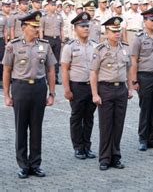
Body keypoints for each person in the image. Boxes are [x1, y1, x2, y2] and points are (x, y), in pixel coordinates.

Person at [2, 11, 56, 179]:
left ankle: (35, 164)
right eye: (33, 27)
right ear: (24, 27)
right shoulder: (13, 46)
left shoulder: (45, 45)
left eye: (37, 26)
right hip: (20, 88)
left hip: (39, 88)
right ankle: (23, 165)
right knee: (20, 128)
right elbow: (6, 70)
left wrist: (52, 93)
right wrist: (7, 95)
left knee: (36, 128)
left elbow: (51, 69)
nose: (37, 29)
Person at [90, 17, 133, 171]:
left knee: (118, 124)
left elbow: (129, 69)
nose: (117, 33)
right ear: (107, 32)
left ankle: (116, 156)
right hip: (106, 89)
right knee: (106, 125)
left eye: (118, 30)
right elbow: (93, 73)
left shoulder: (125, 48)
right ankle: (104, 158)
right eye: (114, 31)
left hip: (121, 89)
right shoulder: (100, 49)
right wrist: (95, 94)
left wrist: (130, 87)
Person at [60, 12, 98, 160]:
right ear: (75, 28)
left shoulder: (95, 45)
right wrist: (67, 89)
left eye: (87, 26)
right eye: (82, 26)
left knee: (89, 117)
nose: (86, 28)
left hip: (92, 87)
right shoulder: (69, 47)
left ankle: (87, 146)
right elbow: (64, 69)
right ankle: (78, 147)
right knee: (77, 117)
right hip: (77, 86)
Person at [130, 7, 153, 151]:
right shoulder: (138, 39)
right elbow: (134, 60)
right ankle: (143, 139)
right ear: (144, 21)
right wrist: (134, 80)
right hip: (144, 76)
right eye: (151, 20)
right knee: (145, 108)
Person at [40, 0, 64, 84]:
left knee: (56, 60)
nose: (54, 7)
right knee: (47, 59)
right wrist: (42, 41)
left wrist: (62, 40)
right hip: (47, 39)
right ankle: (47, 77)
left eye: (55, 5)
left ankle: (55, 78)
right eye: (52, 5)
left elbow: (61, 29)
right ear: (48, 6)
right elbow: (41, 29)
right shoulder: (44, 17)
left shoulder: (59, 17)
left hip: (57, 39)